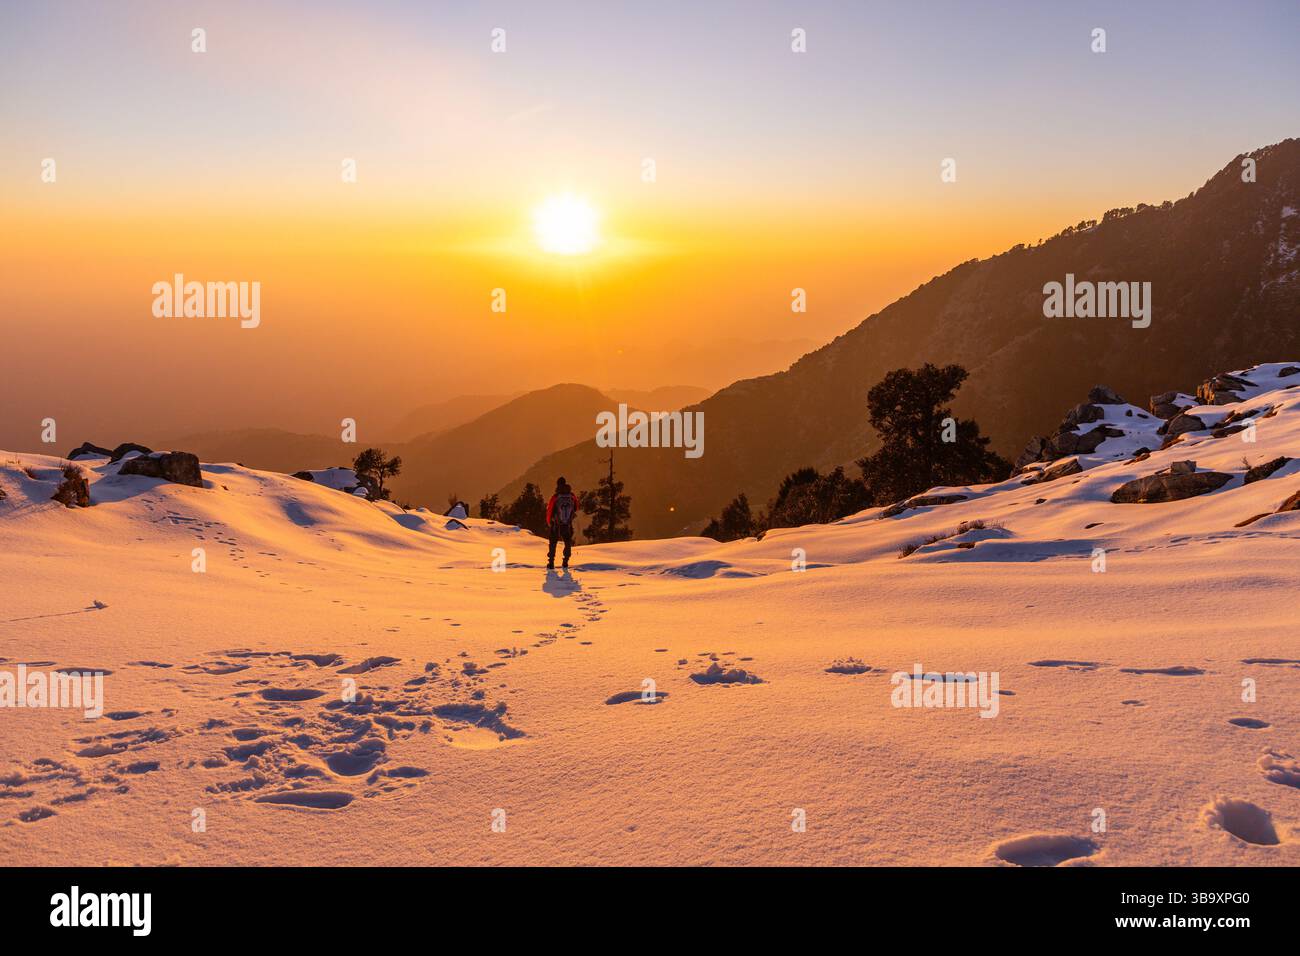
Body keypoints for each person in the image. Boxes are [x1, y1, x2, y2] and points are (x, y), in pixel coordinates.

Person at [545, 477, 578, 570]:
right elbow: (576, 507)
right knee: (567, 541)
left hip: (556, 524)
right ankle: (565, 561)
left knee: (553, 542)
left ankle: (551, 563)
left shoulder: (555, 497)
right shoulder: (572, 496)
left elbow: (549, 510)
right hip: (567, 523)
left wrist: (549, 522)